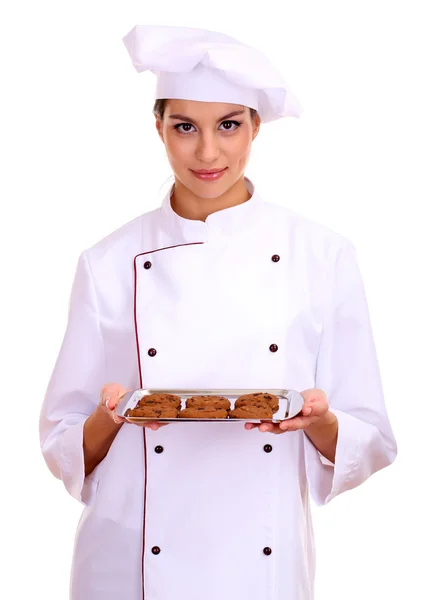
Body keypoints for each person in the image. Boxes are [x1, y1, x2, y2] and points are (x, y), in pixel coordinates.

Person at [39, 24, 397, 600]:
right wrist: (115, 414)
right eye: (185, 127)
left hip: (262, 563)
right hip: (127, 560)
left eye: (228, 125)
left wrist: (318, 420)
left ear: (256, 127)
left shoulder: (321, 255)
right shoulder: (106, 262)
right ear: (158, 127)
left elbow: (371, 437)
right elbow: (62, 444)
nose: (208, 152)